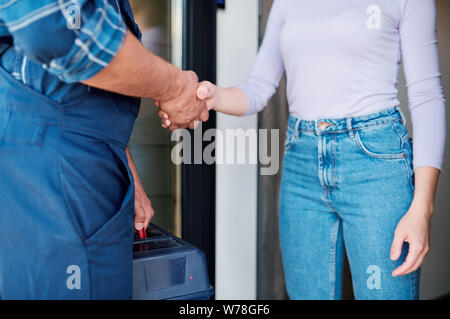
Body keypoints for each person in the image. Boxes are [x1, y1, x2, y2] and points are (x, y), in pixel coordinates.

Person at [161, 0, 446, 300]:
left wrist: (422, 208)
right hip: (301, 163)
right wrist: (211, 97)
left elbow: (427, 96)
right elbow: (257, 88)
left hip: (375, 165)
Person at [0, 0, 208, 299]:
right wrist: (174, 87)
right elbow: (56, 28)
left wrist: (122, 164)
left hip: (68, 156)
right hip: (57, 165)